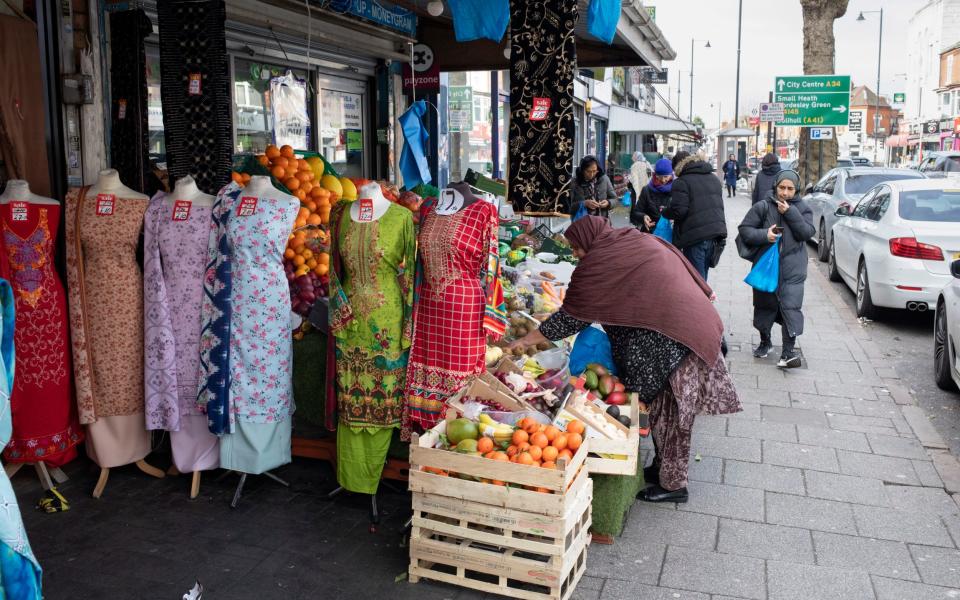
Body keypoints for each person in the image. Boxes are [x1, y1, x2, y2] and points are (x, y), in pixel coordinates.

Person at [508, 217, 741, 503]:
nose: (576, 255)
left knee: (673, 409)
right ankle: (663, 468)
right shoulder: (625, 241)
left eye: (577, 248)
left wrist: (524, 341)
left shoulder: (600, 260)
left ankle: (674, 486)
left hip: (677, 333)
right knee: (662, 407)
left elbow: (571, 317)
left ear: (588, 240)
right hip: (680, 323)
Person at [737, 170, 816, 368]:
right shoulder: (762, 207)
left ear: (796, 190)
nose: (785, 193)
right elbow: (745, 230)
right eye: (782, 188)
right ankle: (765, 342)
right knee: (765, 306)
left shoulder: (803, 208)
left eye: (790, 189)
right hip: (767, 266)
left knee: (790, 307)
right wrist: (765, 235)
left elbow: (806, 233)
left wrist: (789, 212)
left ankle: (788, 352)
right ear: (776, 187)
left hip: (793, 268)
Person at [662, 151, 727, 282]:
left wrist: (665, 211)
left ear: (677, 167)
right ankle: (705, 301)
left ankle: (703, 302)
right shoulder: (713, 178)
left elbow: (679, 211)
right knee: (703, 279)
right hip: (715, 236)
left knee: (697, 282)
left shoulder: (682, 182)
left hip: (695, 238)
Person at [630, 158, 673, 231]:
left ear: (671, 175)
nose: (663, 180)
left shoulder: (677, 189)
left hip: (669, 234)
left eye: (666, 176)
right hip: (650, 233)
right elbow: (636, 212)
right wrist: (643, 217)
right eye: (659, 176)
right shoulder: (646, 190)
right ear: (655, 175)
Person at [571, 155, 617, 219]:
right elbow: (568, 206)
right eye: (588, 171)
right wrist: (584, 203)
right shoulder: (575, 182)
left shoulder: (604, 179)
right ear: (582, 170)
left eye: (594, 171)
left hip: (602, 222)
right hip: (582, 224)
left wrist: (608, 203)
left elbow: (614, 199)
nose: (592, 174)